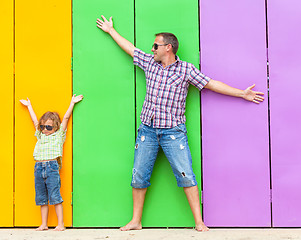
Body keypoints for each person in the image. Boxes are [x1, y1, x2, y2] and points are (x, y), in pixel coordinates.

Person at [96, 15, 264, 232]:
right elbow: (130, 49)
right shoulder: (149, 63)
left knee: (186, 174)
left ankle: (199, 222)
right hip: (147, 130)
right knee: (138, 174)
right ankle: (136, 221)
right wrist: (111, 31)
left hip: (173, 132)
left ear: (168, 47)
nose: (152, 48)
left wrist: (242, 93)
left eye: (155, 45)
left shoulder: (186, 70)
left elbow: (211, 84)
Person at [20, 94, 84, 231]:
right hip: (38, 167)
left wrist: (72, 103)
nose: (45, 130)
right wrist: (29, 106)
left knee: (55, 195)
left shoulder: (59, 135)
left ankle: (60, 224)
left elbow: (66, 118)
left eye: (49, 127)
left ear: (55, 127)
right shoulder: (40, 134)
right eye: (43, 127)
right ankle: (44, 224)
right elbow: (34, 122)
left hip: (51, 167)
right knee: (41, 197)